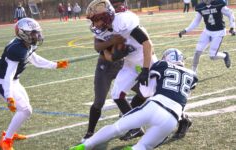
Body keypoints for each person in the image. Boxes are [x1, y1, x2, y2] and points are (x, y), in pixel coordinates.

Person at [69, 48, 198, 150]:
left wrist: (141, 79)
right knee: (141, 147)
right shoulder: (192, 76)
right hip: (172, 118)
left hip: (153, 107)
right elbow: (183, 99)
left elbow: (146, 92)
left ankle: (86, 145)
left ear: (166, 58)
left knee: (116, 128)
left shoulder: (162, 65)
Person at [0, 18, 68, 150]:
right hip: (2, 82)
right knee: (25, 110)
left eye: (36, 32)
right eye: (33, 33)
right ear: (23, 33)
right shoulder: (17, 49)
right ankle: (6, 141)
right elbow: (9, 74)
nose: (36, 35)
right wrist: (9, 96)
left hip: (14, 81)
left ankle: (9, 134)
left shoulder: (27, 44)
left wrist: (55, 65)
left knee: (25, 109)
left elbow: (34, 59)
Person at [81, 0, 146, 143]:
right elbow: (98, 46)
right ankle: (90, 132)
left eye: (118, 5)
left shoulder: (123, 21)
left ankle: (131, 121)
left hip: (123, 65)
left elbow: (141, 40)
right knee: (99, 101)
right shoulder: (102, 23)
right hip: (105, 66)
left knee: (144, 92)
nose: (118, 8)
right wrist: (113, 42)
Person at [178, 0, 235, 73]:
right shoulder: (201, 7)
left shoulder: (218, 4)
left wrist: (232, 27)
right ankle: (193, 73)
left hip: (219, 32)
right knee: (197, 52)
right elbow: (196, 21)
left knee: (212, 56)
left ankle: (224, 55)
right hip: (207, 31)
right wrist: (186, 30)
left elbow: (230, 14)